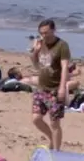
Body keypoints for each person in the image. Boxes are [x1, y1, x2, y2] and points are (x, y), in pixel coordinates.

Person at [30, 19, 71, 151]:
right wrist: (35, 51)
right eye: (41, 33)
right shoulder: (40, 44)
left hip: (54, 89)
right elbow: (36, 65)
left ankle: (56, 151)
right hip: (41, 88)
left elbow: (65, 67)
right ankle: (51, 139)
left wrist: (62, 88)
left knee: (55, 123)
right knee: (36, 119)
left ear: (53, 30)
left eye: (46, 32)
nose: (44, 35)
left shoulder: (62, 46)